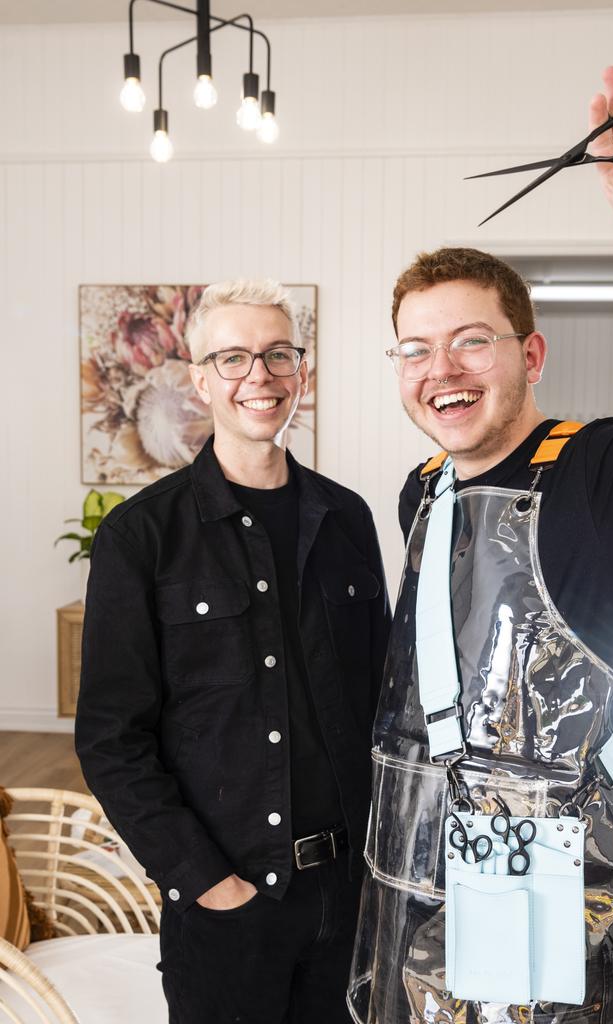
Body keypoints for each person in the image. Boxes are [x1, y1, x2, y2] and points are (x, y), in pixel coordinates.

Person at [347, 67, 613, 1024]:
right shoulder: (426, 487)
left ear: (530, 356)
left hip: (539, 864)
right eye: (414, 349)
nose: (440, 371)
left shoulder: (605, 470)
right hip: (410, 841)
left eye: (471, 342)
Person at [75, 278, 390, 1023]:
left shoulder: (348, 518)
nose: (261, 376)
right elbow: (111, 738)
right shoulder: (140, 537)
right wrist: (207, 881)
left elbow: (384, 700)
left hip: (350, 896)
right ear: (201, 380)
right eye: (235, 358)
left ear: (302, 374)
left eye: (279, 355)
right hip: (228, 907)